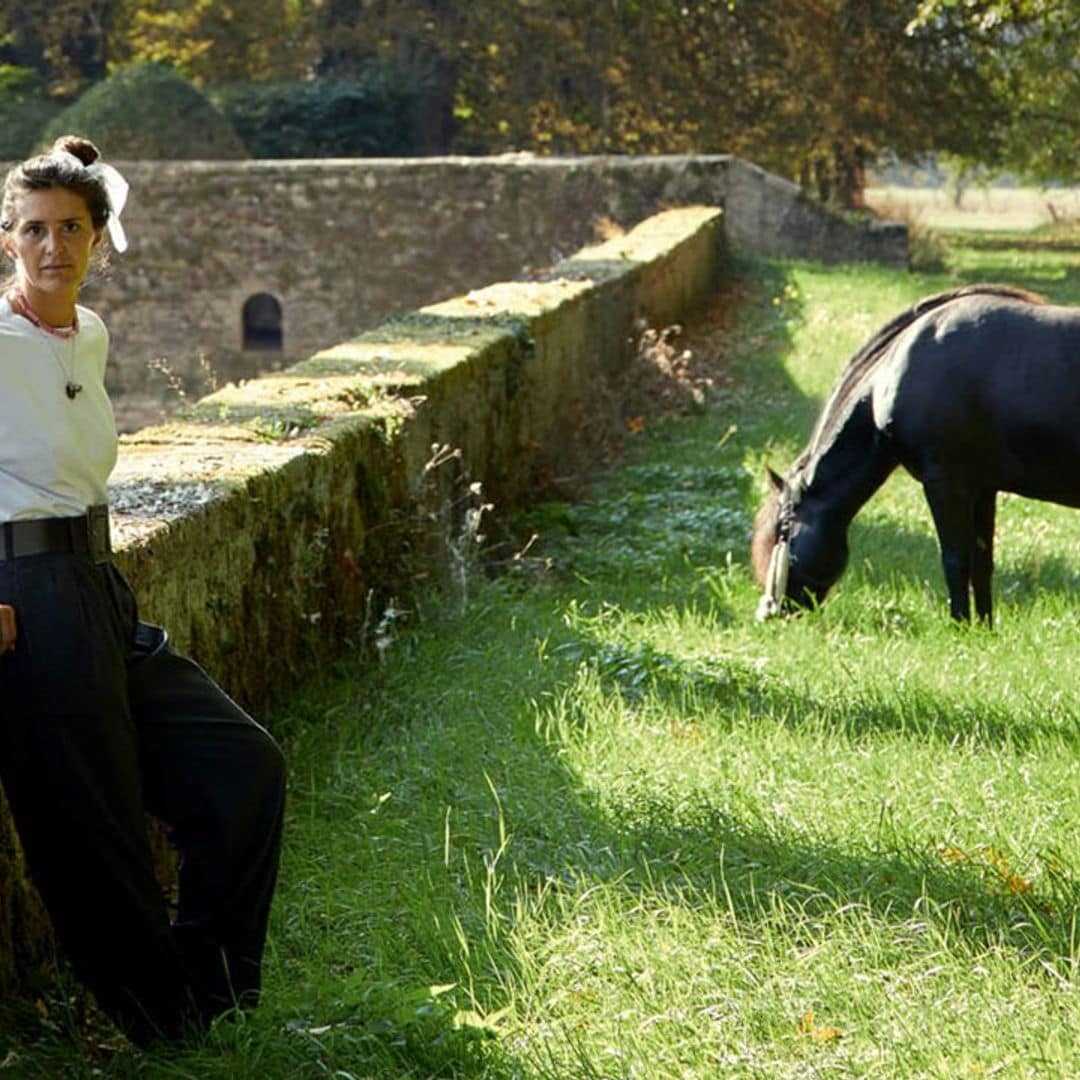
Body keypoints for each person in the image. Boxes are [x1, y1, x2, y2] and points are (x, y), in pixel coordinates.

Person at [0, 135, 287, 1046]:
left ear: (99, 236)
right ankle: (167, 1033)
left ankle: (212, 992)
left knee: (243, 770)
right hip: (25, 597)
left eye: (73, 228)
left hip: (98, 583)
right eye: (35, 230)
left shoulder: (89, 332)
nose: (55, 248)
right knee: (97, 836)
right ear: (8, 239)